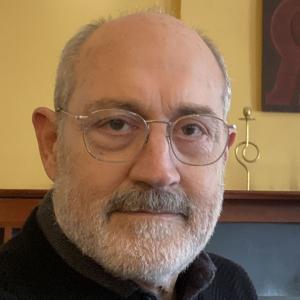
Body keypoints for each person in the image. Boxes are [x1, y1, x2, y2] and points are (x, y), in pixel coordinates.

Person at [0, 11, 257, 300]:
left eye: (192, 130)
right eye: (116, 124)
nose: (159, 172)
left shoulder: (234, 286)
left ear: (224, 153)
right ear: (52, 144)